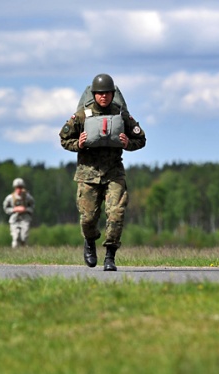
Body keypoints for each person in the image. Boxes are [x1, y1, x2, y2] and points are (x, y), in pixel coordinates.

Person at [59, 73, 146, 271]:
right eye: (100, 93)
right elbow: (64, 139)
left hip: (114, 173)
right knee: (88, 218)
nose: (104, 97)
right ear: (94, 94)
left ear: (112, 94)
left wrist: (128, 143)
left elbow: (140, 139)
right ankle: (90, 242)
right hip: (88, 174)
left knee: (116, 213)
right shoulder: (82, 115)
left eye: (107, 93)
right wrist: (78, 144)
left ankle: (110, 256)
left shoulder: (121, 115)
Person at [2, 178, 35, 248]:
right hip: (14, 219)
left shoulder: (27, 197)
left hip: (25, 219)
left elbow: (32, 205)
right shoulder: (10, 197)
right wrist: (14, 209)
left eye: (20, 187)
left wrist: (26, 209)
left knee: (24, 237)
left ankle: (24, 252)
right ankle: (14, 254)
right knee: (15, 237)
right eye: (17, 187)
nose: (19, 189)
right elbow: (5, 208)